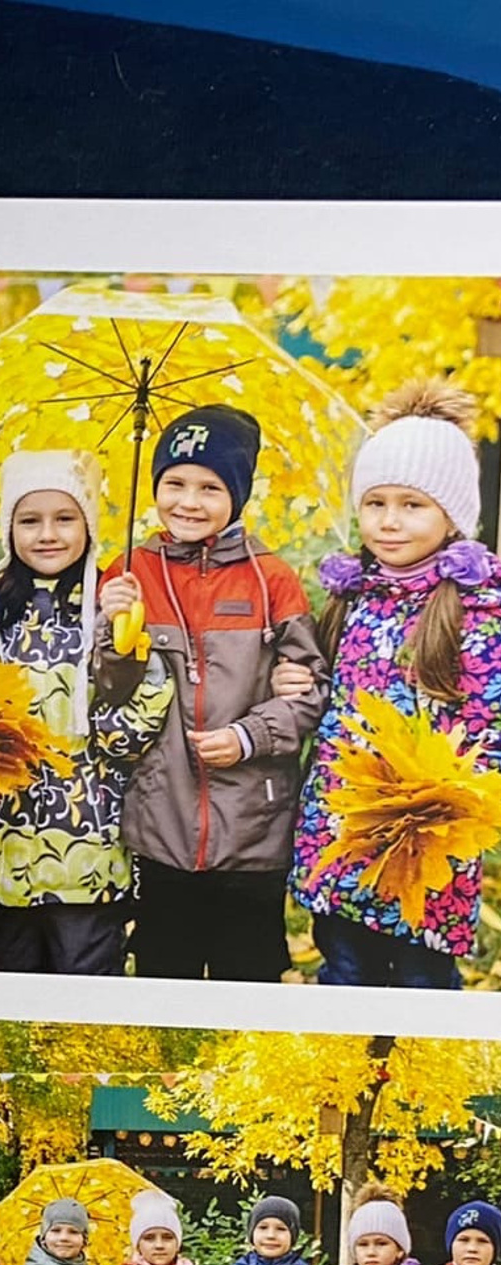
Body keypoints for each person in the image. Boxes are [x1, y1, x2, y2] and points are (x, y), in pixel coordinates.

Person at [95, 404, 328, 980]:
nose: (188, 502)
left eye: (209, 487)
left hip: (253, 825)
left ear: (238, 496)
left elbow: (311, 687)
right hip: (161, 821)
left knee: (246, 977)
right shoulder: (126, 573)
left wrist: (249, 736)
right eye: (174, 483)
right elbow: (105, 693)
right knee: (162, 974)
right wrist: (114, 633)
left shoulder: (271, 578)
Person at [284, 382, 501, 988]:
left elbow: (489, 730)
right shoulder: (350, 598)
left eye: (412, 505)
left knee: (420, 984)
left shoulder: (478, 608)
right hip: (343, 825)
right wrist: (297, 678)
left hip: (427, 839)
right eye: (376, 503)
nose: (389, 522)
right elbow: (328, 697)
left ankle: (417, 1085)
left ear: (452, 514)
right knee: (345, 971)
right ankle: (337, 1083)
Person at [0, 450, 173, 975]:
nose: (47, 534)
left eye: (64, 519)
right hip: (3, 838)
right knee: (4, 993)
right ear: (9, 528)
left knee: (84, 993)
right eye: (29, 521)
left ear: (88, 523)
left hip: (89, 843)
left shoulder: (113, 601)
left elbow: (150, 701)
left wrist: (102, 721)